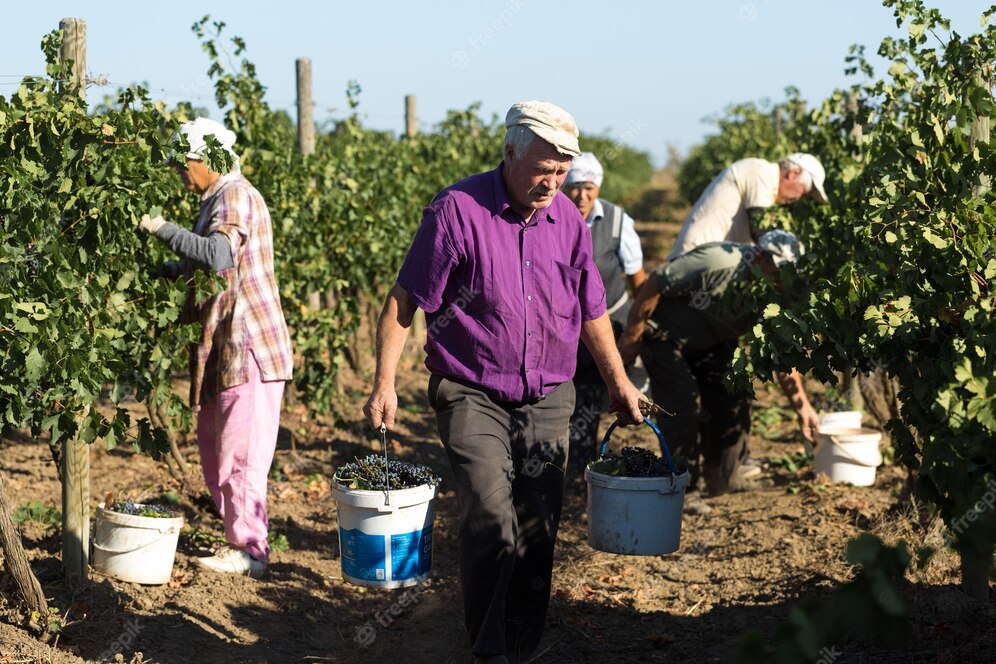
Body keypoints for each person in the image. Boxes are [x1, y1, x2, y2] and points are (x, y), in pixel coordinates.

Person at [363, 101, 644, 664]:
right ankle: (488, 650)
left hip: (548, 396)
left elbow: (591, 308)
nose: (554, 182)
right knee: (492, 518)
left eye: (563, 171)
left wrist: (619, 380)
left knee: (538, 526)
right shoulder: (458, 210)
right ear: (510, 151)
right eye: (545, 168)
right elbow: (405, 300)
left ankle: (522, 645)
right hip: (470, 390)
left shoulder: (567, 222)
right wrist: (383, 383)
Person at [138, 118, 293, 577]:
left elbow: (218, 255)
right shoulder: (213, 202)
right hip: (225, 348)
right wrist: (157, 274)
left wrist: (162, 227)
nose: (178, 173)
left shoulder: (235, 195)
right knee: (219, 451)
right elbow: (201, 268)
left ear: (208, 159)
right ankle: (241, 541)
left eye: (182, 163)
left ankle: (251, 550)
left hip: (249, 347)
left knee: (240, 454)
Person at [619, 230, 819, 511]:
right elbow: (655, 283)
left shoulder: (776, 293)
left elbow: (782, 356)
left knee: (734, 394)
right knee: (682, 405)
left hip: (714, 341)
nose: (780, 277)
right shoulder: (717, 261)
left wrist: (803, 408)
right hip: (665, 336)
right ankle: (684, 489)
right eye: (777, 268)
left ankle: (725, 477)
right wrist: (633, 334)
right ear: (760, 256)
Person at [562, 153, 647, 477]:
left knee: (596, 391)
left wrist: (641, 326)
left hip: (609, 319)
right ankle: (572, 463)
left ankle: (583, 465)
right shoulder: (550, 215)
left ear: (597, 187)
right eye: (574, 187)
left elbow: (638, 278)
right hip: (566, 324)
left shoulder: (616, 221)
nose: (581, 196)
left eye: (589, 188)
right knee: (573, 391)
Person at [668, 153, 828, 260]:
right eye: (804, 193)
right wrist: (797, 254)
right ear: (793, 174)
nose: (799, 198)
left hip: (707, 258)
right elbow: (761, 232)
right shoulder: (761, 172)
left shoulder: (767, 191)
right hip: (694, 257)